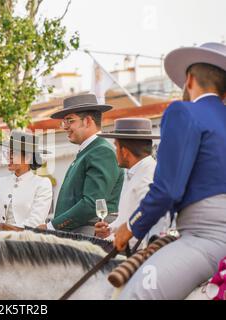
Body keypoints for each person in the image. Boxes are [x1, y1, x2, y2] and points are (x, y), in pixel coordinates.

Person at [114, 42, 226, 299]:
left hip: (207, 237)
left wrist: (130, 227)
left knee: (136, 293)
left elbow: (167, 190)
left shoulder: (182, 112)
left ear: (189, 80)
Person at [37, 93, 124, 234]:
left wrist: (52, 226)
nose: (65, 127)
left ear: (88, 121)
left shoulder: (101, 151)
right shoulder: (89, 151)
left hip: (89, 235)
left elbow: (91, 204)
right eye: (64, 122)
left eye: (69, 121)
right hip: (78, 234)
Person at [94, 118, 169, 247]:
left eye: (115, 146)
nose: (115, 151)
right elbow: (127, 219)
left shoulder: (148, 176)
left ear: (124, 151)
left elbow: (147, 224)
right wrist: (109, 229)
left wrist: (112, 239)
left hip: (135, 256)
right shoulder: (136, 172)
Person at [0, 131, 52, 227]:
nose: (9, 158)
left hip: (28, 239)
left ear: (28, 157)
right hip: (0, 239)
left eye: (13, 154)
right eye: (8, 153)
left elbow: (35, 221)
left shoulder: (42, 184)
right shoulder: (0, 183)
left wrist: (8, 233)